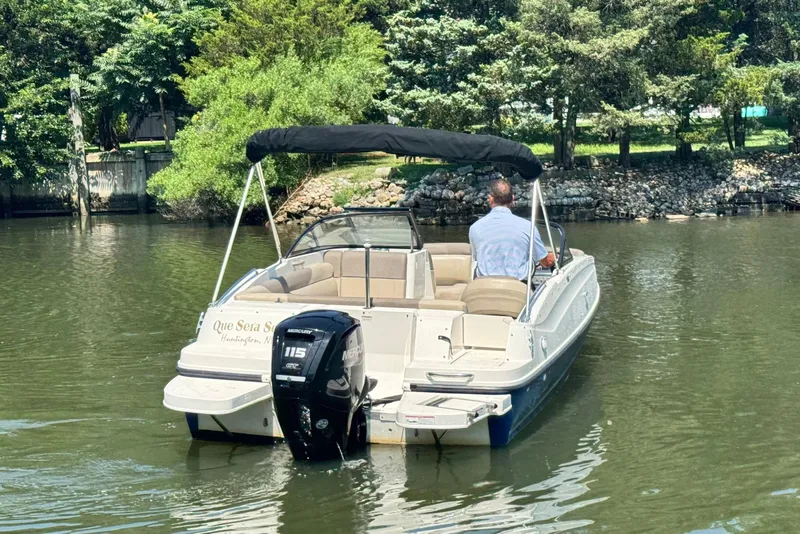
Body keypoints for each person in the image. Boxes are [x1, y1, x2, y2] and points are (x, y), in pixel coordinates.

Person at [468, 179, 555, 281]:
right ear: (513, 199)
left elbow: (477, 257)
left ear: (490, 199)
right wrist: (556, 257)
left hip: (484, 288)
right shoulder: (528, 227)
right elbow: (546, 262)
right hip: (517, 288)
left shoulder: (475, 228)